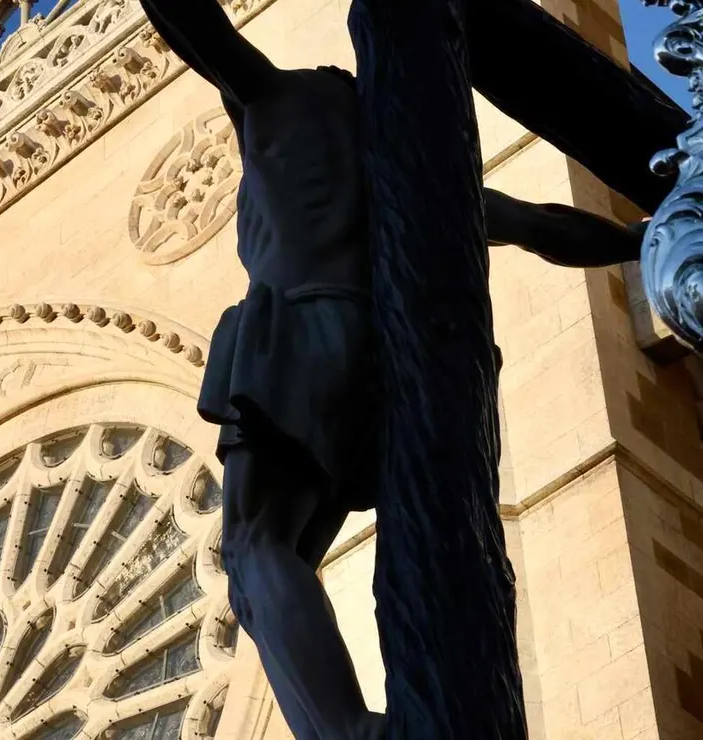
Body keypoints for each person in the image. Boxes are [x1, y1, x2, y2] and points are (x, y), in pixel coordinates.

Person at [137, 1, 647, 738]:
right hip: (383, 368)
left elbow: (192, 24)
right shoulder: (411, 171)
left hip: (296, 337)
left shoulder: (274, 99)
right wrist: (644, 238)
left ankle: (350, 730)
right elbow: (548, 227)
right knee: (292, 553)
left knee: (254, 550)